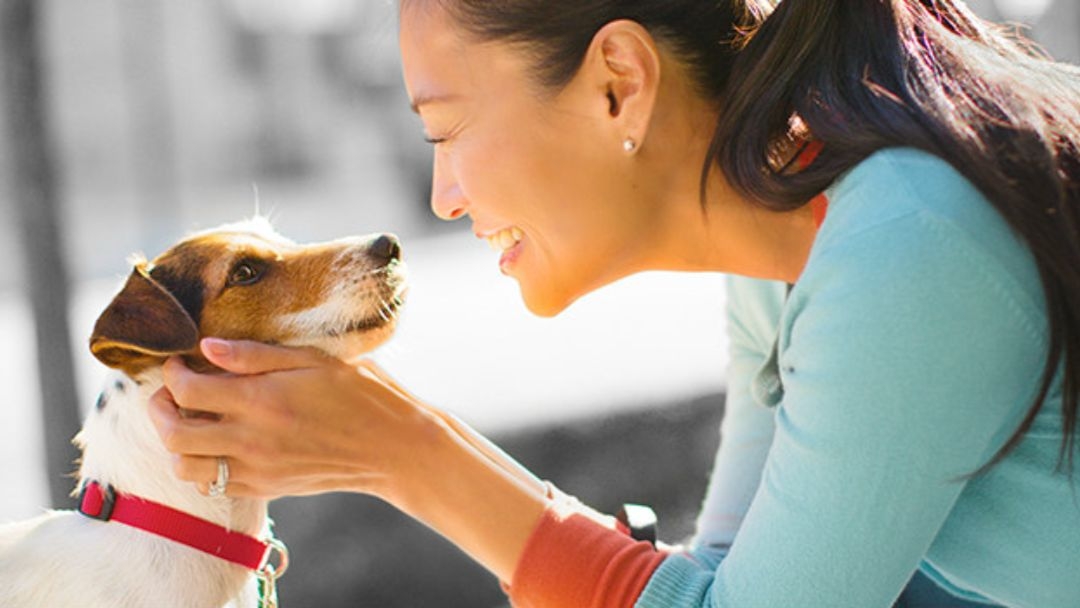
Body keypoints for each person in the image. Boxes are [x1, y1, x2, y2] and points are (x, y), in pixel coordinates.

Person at [148, 1, 1080, 606]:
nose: (443, 196)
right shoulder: (785, 250)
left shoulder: (902, 249)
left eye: (447, 128)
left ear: (617, 86)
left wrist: (405, 455)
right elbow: (724, 581)